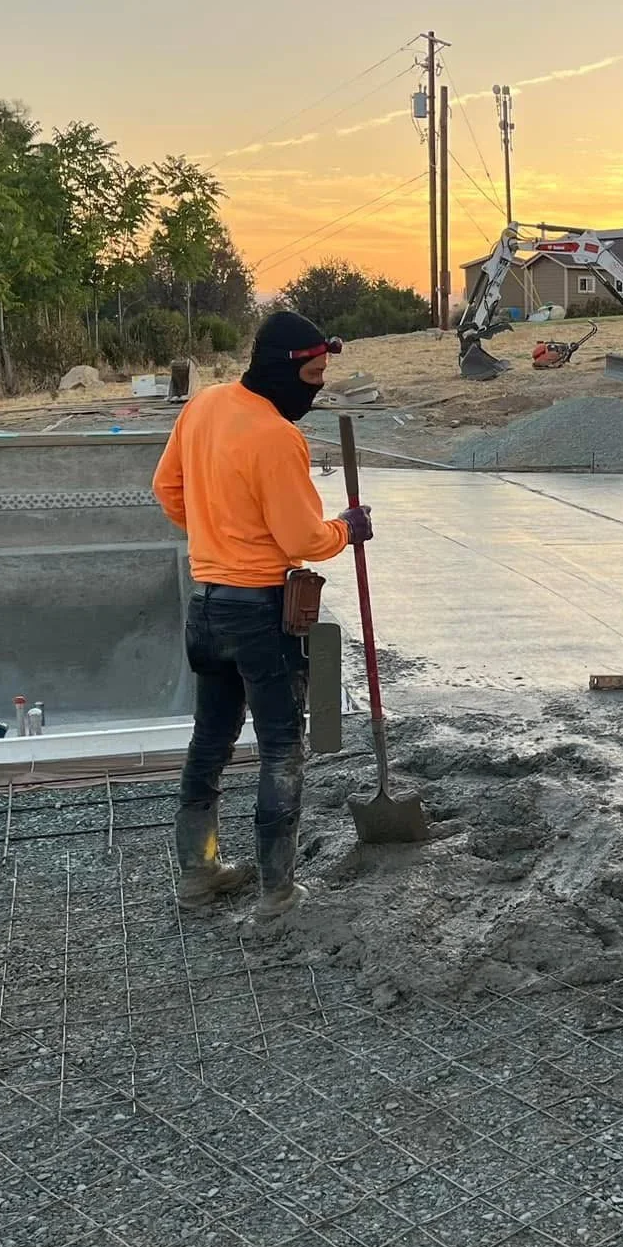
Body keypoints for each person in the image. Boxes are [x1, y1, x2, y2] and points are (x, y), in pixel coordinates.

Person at [153, 311, 370, 925]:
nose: (319, 385)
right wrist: (346, 529)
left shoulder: (205, 406)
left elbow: (166, 489)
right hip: (262, 610)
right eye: (313, 371)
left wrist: (218, 535)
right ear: (283, 367)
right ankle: (278, 895)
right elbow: (302, 535)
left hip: (208, 605)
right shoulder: (277, 436)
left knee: (210, 744)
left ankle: (198, 876)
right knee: (281, 750)